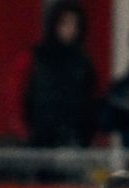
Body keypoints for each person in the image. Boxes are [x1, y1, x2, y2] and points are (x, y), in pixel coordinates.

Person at [22, 0, 96, 147]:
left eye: (75, 24)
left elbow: (91, 102)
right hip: (39, 142)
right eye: (65, 23)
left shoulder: (84, 64)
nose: (70, 29)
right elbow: (20, 97)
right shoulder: (35, 59)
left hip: (74, 141)